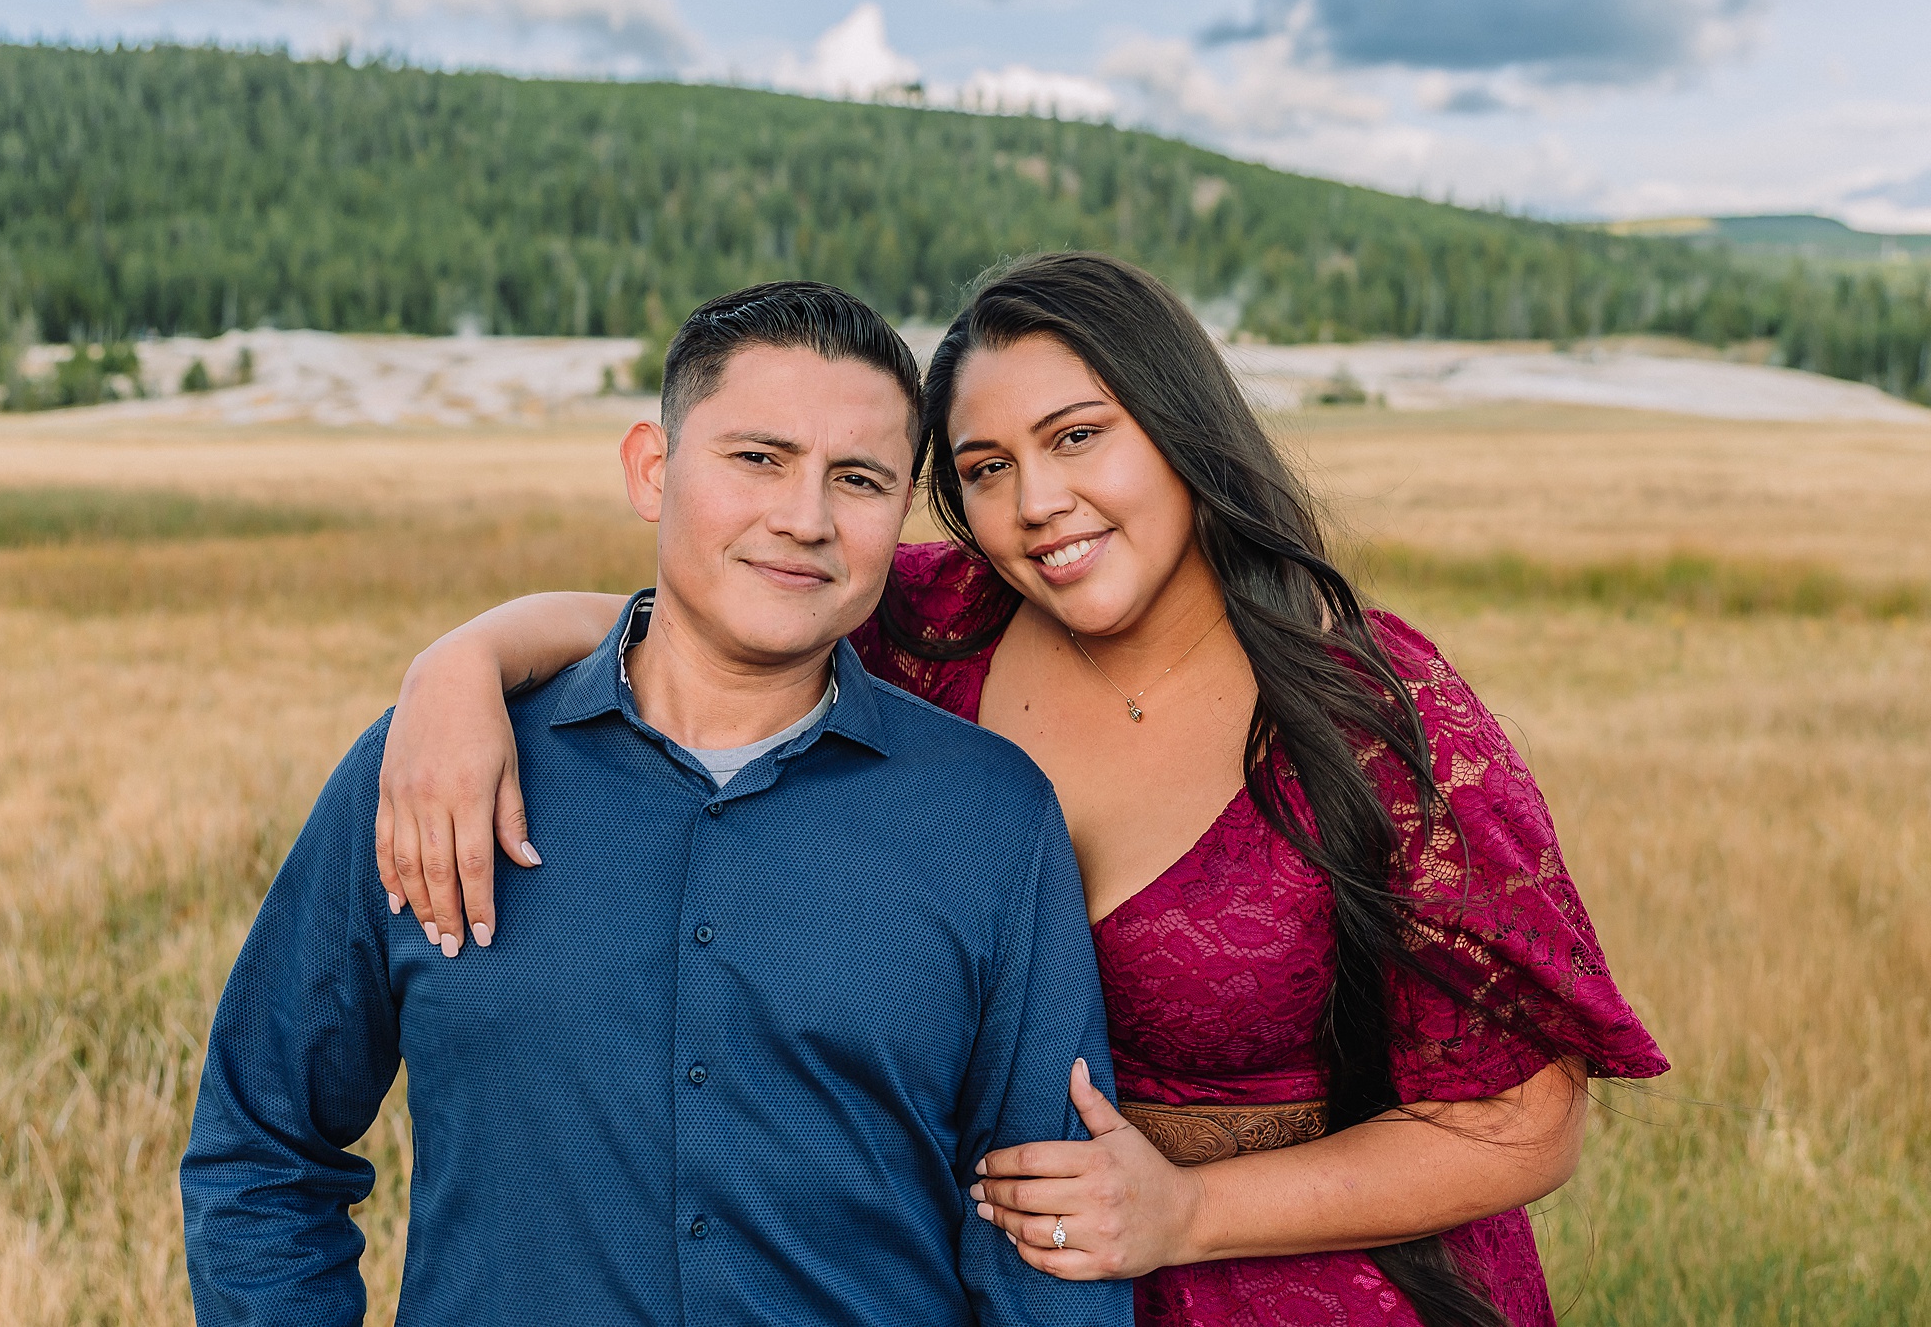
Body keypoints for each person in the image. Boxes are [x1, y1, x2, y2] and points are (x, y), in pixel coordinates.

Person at [377, 253, 1668, 1327]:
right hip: (985, 1283)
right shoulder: (931, 634)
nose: (1038, 504)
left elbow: (1523, 1126)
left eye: (1078, 437)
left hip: (1304, 1283)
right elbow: (695, 620)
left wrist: (1184, 1211)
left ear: (1184, 431)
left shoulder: (1379, 718)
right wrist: (467, 659)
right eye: (986, 467)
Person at [180, 281, 1134, 1327]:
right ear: (651, 467)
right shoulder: (426, 772)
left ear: (897, 513)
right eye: (756, 458)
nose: (802, 517)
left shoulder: (987, 819)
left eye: (856, 479)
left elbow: (1044, 1240)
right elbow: (261, 1149)